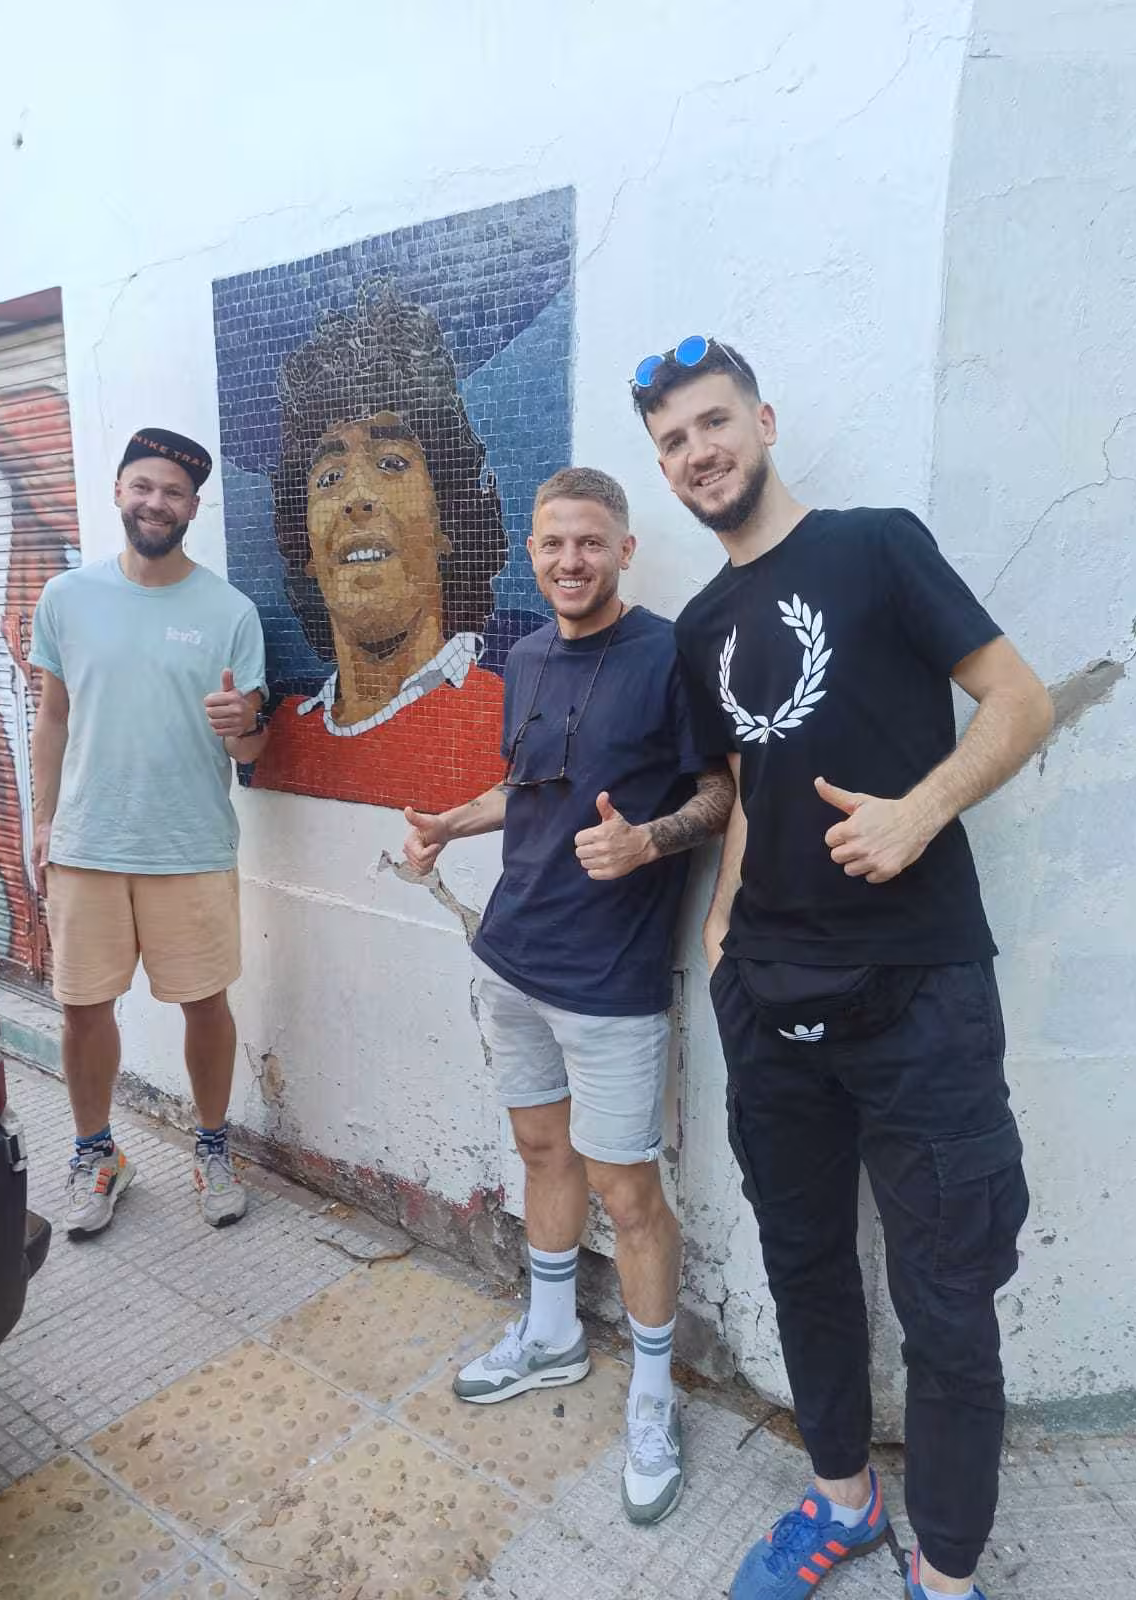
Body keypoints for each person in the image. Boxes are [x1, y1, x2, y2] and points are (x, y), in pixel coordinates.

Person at [632, 338, 1053, 1600]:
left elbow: (1018, 700)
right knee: (801, 1258)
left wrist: (920, 812)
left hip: (922, 990)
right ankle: (842, 1506)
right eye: (673, 442)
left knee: (948, 1293)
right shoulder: (703, 622)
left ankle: (949, 1565)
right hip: (769, 998)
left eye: (713, 423)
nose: (698, 452)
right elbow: (751, 779)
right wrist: (720, 932)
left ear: (762, 420)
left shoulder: (879, 546)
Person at [401, 467, 733, 1525]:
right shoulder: (528, 654)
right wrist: (451, 823)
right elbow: (530, 786)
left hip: (612, 983)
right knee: (543, 1154)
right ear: (532, 553)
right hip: (514, 960)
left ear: (625, 549)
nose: (570, 562)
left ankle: (649, 1393)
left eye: (590, 543)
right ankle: (549, 1337)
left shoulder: (668, 653)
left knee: (629, 1195)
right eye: (553, 544)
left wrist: (650, 839)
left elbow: (723, 790)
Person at [29, 427, 270, 1236]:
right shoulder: (66, 598)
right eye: (142, 486)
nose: (154, 503)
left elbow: (252, 746)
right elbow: (53, 716)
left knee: (206, 1004)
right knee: (82, 1010)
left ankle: (211, 1147)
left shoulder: (229, 611)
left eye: (171, 492)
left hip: (189, 844)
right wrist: (41, 819)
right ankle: (98, 1153)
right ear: (119, 492)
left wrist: (244, 725)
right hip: (87, 844)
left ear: (193, 507)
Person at [254, 280, 514, 813]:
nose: (357, 499)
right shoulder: (280, 738)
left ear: (448, 514)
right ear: (304, 544)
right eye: (328, 477)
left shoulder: (510, 716)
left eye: (392, 463)